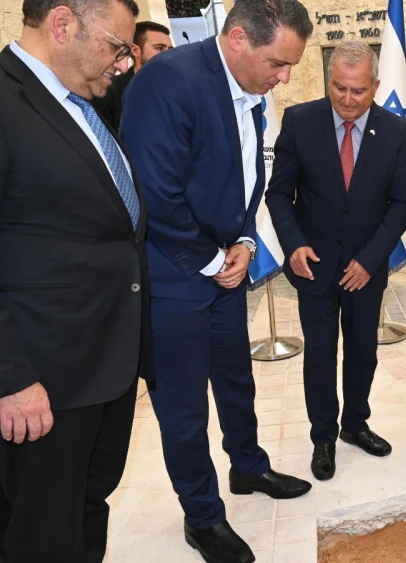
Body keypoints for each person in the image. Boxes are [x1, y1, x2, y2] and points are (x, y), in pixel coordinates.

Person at [119, 1, 313, 561]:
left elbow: (249, 178)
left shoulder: (250, 89)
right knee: (184, 409)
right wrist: (212, 259)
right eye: (278, 63)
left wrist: (247, 242)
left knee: (235, 380)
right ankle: (202, 518)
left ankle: (248, 468)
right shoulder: (168, 82)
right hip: (176, 278)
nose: (284, 78)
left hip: (225, 268)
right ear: (236, 40)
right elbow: (154, 193)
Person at [0, 0, 154, 559]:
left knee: (87, 507)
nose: (123, 64)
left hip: (103, 366)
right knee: (41, 533)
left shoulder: (82, 103)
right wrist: (10, 376)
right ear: (63, 25)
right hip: (43, 381)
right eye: (117, 47)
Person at [265, 41, 406, 481]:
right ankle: (323, 436)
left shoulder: (393, 129)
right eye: (339, 89)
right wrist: (292, 244)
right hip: (313, 266)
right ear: (328, 81)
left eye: (359, 91)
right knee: (321, 355)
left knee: (363, 352)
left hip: (365, 270)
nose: (348, 100)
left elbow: (402, 203)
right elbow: (278, 194)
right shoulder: (300, 121)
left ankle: (355, 425)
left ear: (376, 86)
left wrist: (369, 260)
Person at [91, 20, 172, 131]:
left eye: (170, 49)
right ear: (135, 50)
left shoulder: (176, 88)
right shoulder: (109, 91)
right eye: (159, 48)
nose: (168, 54)